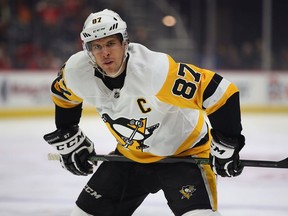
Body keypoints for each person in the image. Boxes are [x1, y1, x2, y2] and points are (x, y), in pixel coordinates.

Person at [43, 9, 245, 216]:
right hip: (131, 157)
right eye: (97, 46)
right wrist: (70, 134)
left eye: (111, 43)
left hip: (185, 155)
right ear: (88, 51)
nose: (105, 53)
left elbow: (221, 92)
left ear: (125, 43)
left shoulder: (154, 70)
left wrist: (227, 143)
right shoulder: (76, 71)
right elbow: (63, 96)